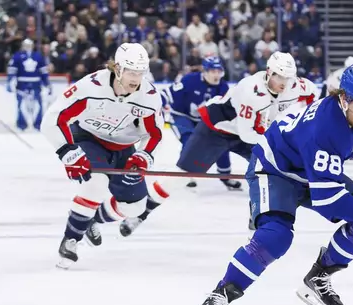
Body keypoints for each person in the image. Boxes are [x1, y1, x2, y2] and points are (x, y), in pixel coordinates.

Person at [194, 64, 353, 305]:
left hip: (313, 170)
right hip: (274, 169)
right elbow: (327, 198)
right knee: (277, 235)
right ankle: (220, 295)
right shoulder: (325, 126)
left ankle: (319, 276)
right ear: (344, 99)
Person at [119, 51, 319, 237]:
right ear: (269, 72)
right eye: (279, 76)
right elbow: (247, 134)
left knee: (274, 170)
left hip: (252, 131)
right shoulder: (250, 89)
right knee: (182, 175)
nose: (283, 83)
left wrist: (307, 123)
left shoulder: (296, 85)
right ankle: (141, 213)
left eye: (288, 77)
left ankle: (257, 214)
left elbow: (314, 96)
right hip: (216, 130)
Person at [40, 43, 164, 269]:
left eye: (140, 72)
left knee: (135, 207)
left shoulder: (149, 96)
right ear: (117, 68)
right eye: (131, 71)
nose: (136, 78)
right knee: (94, 185)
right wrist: (67, 151)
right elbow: (53, 119)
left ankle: (90, 220)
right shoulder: (91, 86)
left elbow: (154, 134)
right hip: (89, 138)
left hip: (124, 148)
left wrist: (143, 156)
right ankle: (71, 240)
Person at [161, 56, 240, 190]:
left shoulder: (223, 87)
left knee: (220, 141)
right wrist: (158, 105)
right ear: (205, 71)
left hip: (205, 120)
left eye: (219, 71)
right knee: (190, 140)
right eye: (213, 71)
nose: (216, 75)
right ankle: (186, 174)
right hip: (182, 116)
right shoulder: (190, 80)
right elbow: (166, 93)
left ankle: (225, 174)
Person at [7, 38, 52, 131]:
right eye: (25, 45)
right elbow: (12, 70)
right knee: (21, 104)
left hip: (36, 83)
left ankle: (38, 123)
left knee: (38, 104)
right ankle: (21, 124)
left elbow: (43, 71)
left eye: (29, 45)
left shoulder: (38, 56)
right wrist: (10, 81)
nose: (27, 47)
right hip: (21, 84)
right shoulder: (17, 56)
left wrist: (47, 83)